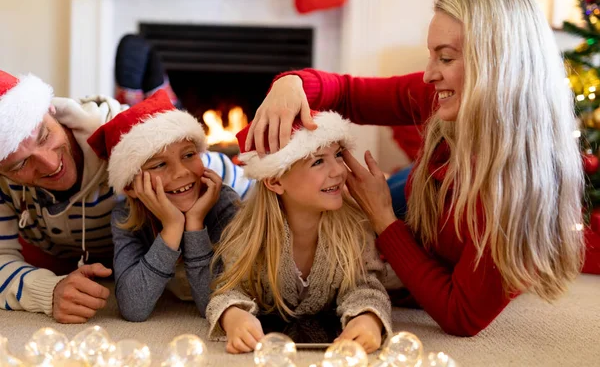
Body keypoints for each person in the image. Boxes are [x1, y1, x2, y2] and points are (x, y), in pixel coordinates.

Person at [242, 0, 585, 336]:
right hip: (413, 198)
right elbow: (349, 93)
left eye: (446, 57)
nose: (428, 73)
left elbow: (461, 316)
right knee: (289, 211)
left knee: (345, 225)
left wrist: (382, 219)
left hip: (402, 216)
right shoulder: (440, 99)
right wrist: (291, 83)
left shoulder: (519, 189)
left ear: (497, 64)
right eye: (431, 54)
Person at [0, 70, 251, 323]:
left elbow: (257, 190)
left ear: (50, 109)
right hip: (83, 264)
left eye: (44, 136)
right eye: (20, 165)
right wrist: (47, 291)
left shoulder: (140, 138)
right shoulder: (127, 213)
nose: (50, 164)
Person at [206, 110, 392, 354]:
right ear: (275, 181)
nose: (338, 170)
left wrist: (368, 318)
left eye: (337, 155)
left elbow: (366, 287)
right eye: (318, 161)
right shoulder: (247, 235)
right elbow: (228, 290)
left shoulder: (356, 227)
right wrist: (232, 315)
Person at [87, 90, 239, 321]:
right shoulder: (126, 215)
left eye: (189, 155)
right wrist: (172, 227)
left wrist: (195, 224)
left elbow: (215, 302)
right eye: (159, 165)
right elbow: (133, 308)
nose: (181, 173)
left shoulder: (222, 203)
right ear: (130, 187)